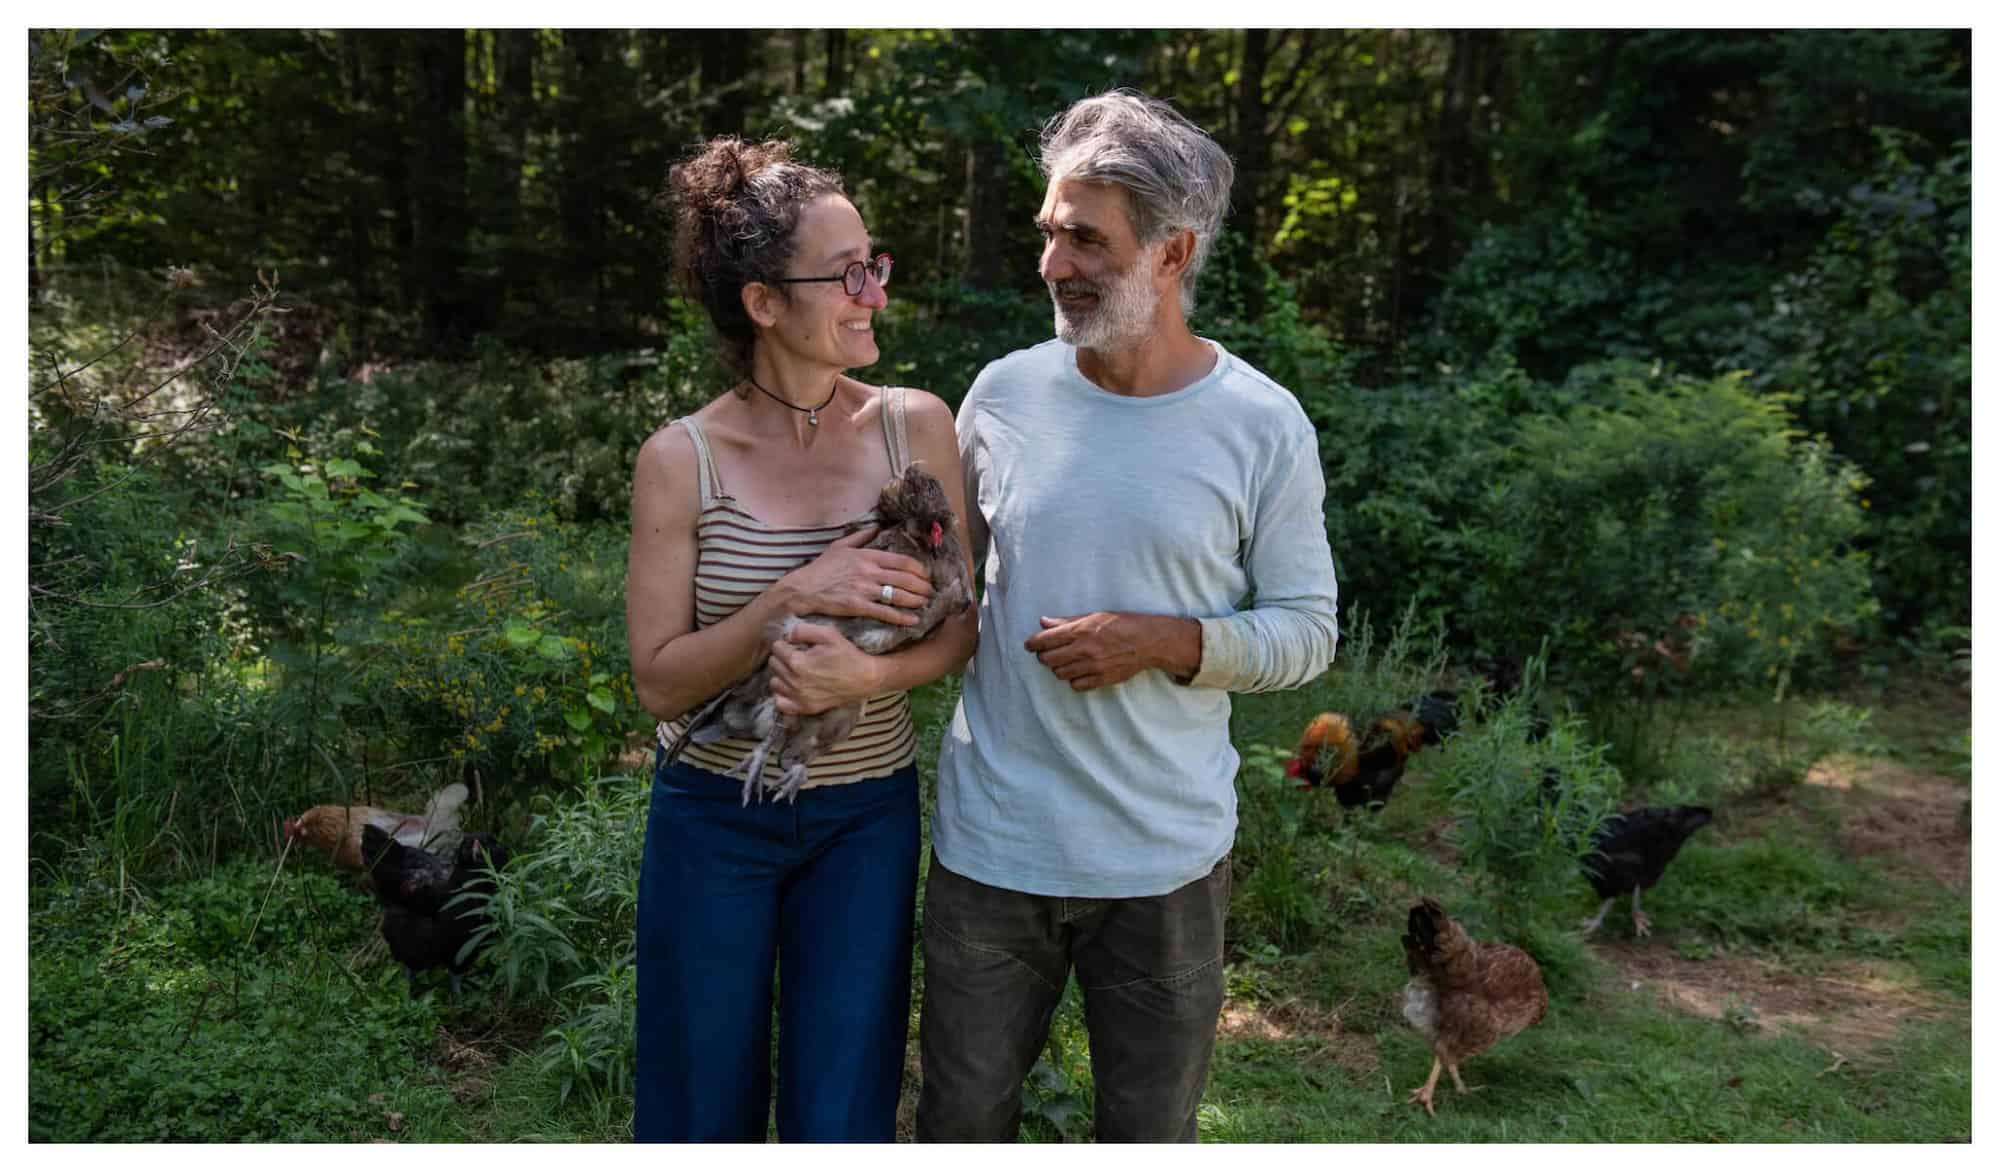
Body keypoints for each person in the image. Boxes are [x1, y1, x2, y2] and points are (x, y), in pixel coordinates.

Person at [915, 90, 1340, 1143]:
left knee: (1147, 1136)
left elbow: (1306, 627)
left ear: (1171, 250)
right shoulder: (1001, 396)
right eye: (1049, 233)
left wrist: (1168, 640)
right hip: (991, 850)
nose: (1054, 265)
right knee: (958, 1124)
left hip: (1162, 864)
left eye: (1086, 240)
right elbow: (946, 589)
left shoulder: (1259, 423)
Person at [626, 136, 976, 1143]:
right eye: (846, 273)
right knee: (698, 1103)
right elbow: (658, 682)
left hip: (863, 820)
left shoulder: (917, 427)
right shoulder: (681, 458)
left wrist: (869, 671)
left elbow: (961, 628)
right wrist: (792, 594)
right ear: (764, 302)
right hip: (711, 816)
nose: (872, 291)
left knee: (842, 1108)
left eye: (876, 263)